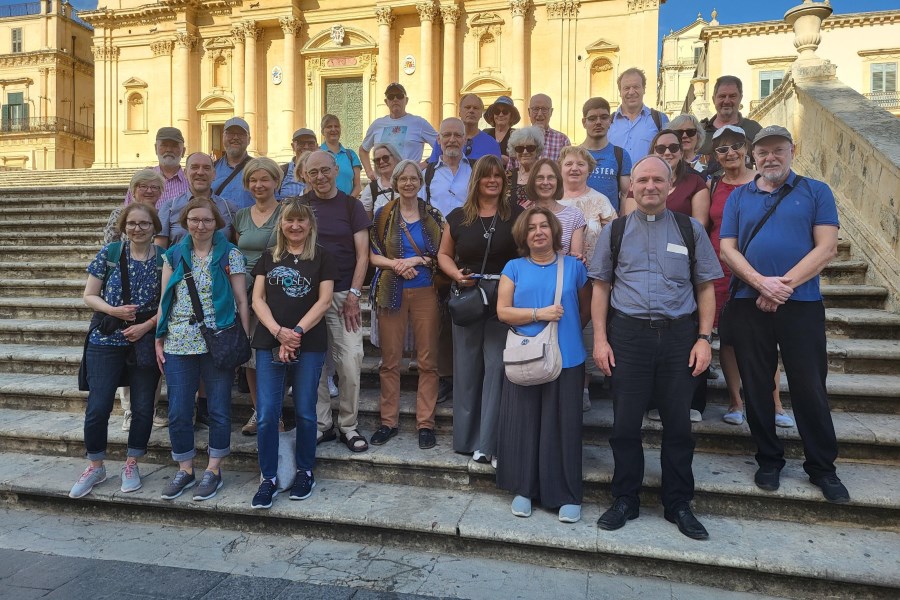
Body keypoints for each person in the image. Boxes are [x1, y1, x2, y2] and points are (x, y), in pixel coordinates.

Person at [591, 155, 722, 540]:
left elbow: (705, 288)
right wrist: (600, 339)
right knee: (625, 424)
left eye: (657, 181)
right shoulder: (615, 232)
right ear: (631, 187)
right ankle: (625, 498)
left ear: (669, 186)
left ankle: (678, 502)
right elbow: (600, 288)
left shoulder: (689, 230)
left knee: (679, 425)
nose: (649, 186)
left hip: (679, 338)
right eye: (642, 180)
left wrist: (704, 338)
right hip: (628, 337)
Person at [719, 125, 849, 504]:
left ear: (792, 150)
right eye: (763, 152)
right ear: (752, 157)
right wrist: (761, 283)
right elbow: (728, 248)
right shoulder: (739, 197)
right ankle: (769, 459)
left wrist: (782, 286)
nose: (770, 158)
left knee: (810, 386)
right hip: (748, 301)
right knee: (757, 385)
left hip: (802, 304)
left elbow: (826, 248)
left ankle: (823, 468)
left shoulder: (815, 191)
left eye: (778, 150)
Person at [496, 206, 590, 523]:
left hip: (568, 357)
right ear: (524, 235)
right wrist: (540, 315)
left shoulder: (574, 267)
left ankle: (566, 494)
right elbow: (503, 312)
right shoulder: (514, 267)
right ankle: (524, 490)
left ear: (554, 231)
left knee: (563, 426)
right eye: (532, 227)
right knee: (524, 424)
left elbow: (586, 307)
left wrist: (567, 329)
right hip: (526, 355)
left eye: (544, 226)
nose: (539, 232)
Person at [154, 198, 250, 502]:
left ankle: (213, 469)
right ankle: (185, 468)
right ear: (185, 221)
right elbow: (164, 299)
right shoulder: (173, 255)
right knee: (180, 408)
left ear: (216, 223)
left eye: (207, 220)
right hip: (179, 339)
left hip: (218, 339)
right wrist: (158, 337)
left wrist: (242, 339)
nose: (200, 225)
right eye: (194, 219)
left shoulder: (230, 254)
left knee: (219, 408)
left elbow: (241, 299)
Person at [69, 203, 164, 498]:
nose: (138, 228)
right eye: (132, 223)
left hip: (143, 337)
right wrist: (115, 311)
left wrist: (146, 326)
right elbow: (89, 295)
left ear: (154, 227)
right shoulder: (110, 254)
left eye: (144, 223)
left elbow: (169, 302)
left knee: (143, 406)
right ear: (124, 226)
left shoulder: (165, 259)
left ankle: (132, 461)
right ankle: (95, 464)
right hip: (107, 337)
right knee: (98, 406)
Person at [249, 200, 336, 508]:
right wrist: (279, 333)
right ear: (281, 225)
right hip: (270, 341)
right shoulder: (268, 257)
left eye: (301, 221)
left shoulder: (322, 257)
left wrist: (296, 333)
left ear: (310, 224)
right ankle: (268, 477)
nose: (295, 226)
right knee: (268, 413)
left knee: (305, 411)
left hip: (309, 343)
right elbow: (257, 300)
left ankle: (305, 471)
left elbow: (324, 301)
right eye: (289, 221)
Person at [438, 155, 524, 467]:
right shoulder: (458, 216)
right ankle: (466, 440)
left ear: (504, 180)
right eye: (486, 176)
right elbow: (444, 254)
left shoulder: (516, 214)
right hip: (468, 298)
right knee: (466, 370)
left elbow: (525, 256)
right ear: (477, 180)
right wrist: (455, 275)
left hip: (502, 299)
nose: (492, 181)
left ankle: (490, 442)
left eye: (497, 176)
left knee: (496, 369)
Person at [707, 126, 793, 429]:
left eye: (735, 145)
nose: (729, 152)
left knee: (766, 339)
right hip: (722, 270)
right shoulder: (712, 186)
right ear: (714, 155)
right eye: (722, 148)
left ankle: (776, 403)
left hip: (759, 270)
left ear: (747, 149)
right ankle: (735, 401)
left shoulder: (762, 183)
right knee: (729, 338)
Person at [369, 160, 444, 450]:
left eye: (414, 178)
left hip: (426, 290)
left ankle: (426, 423)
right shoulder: (383, 215)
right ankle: (388, 421)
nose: (409, 183)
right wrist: (397, 265)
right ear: (396, 182)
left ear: (420, 182)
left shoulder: (434, 216)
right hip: (392, 290)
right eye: (404, 179)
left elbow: (444, 255)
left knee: (428, 360)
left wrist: (417, 260)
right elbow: (372, 256)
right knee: (390, 360)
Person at [303, 151, 371, 453]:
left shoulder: (351, 205)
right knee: (313, 365)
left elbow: (363, 255)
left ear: (336, 170)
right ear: (305, 176)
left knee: (350, 360)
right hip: (307, 297)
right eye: (313, 172)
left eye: (324, 171)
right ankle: (321, 424)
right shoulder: (299, 206)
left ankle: (348, 424)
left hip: (344, 294)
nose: (320, 177)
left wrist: (355, 295)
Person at [559, 145, 618, 412]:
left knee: (583, 332)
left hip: (591, 280)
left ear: (589, 170)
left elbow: (615, 239)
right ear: (560, 168)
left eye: (580, 164)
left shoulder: (600, 201)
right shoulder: (549, 199)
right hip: (556, 279)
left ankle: (582, 387)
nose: (574, 168)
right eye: (569, 163)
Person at [233, 157, 284, 436]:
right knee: (251, 355)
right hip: (245, 293)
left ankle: (274, 411)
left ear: (276, 181)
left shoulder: (286, 212)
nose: (258, 184)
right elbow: (233, 251)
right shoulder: (240, 216)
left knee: (273, 353)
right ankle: (260, 411)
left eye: (264, 179)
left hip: (276, 292)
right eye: (253, 180)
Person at [623, 129, 710, 230]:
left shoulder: (695, 182)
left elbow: (700, 225)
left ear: (681, 153)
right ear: (653, 153)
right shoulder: (639, 183)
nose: (668, 152)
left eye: (674, 148)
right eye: (661, 148)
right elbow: (632, 222)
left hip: (683, 243)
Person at [156, 152, 237, 249]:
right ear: (185, 173)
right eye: (194, 167)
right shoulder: (170, 207)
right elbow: (159, 251)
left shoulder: (228, 208)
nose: (200, 172)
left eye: (206, 168)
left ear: (214, 174)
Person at [359, 83, 438, 179]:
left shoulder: (419, 123)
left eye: (399, 96)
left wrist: (425, 163)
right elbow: (363, 150)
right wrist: (369, 171)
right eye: (391, 97)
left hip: (409, 184)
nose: (395, 99)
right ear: (386, 102)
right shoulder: (377, 125)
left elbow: (441, 145)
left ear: (406, 100)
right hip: (383, 186)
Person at [580, 97, 631, 212]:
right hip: (578, 226)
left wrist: (622, 225)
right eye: (592, 118)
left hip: (610, 225)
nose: (598, 122)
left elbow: (625, 195)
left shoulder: (621, 155)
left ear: (610, 121)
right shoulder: (574, 155)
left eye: (603, 117)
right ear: (584, 122)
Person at [525, 158, 585, 257]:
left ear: (558, 181)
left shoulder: (574, 215)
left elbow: (575, 258)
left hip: (562, 271)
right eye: (540, 178)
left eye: (550, 177)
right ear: (532, 182)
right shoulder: (523, 214)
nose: (545, 182)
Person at [608, 68, 669, 162]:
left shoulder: (660, 120)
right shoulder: (608, 122)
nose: (631, 92)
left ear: (644, 89)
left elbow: (669, 153)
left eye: (636, 87)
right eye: (626, 88)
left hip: (649, 176)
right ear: (620, 92)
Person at [698, 76, 763, 163]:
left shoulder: (754, 130)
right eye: (722, 96)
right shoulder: (700, 132)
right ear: (714, 99)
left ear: (740, 98)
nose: (727, 101)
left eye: (732, 96)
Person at [124, 127, 189, 209]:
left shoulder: (191, 182)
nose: (169, 150)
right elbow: (127, 211)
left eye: (174, 146)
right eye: (164, 145)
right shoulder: (140, 179)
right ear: (156, 149)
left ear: (183, 151)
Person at [428, 94, 501, 163]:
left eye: (475, 108)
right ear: (459, 112)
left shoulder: (491, 144)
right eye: (467, 107)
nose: (471, 111)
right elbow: (433, 169)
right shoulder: (444, 141)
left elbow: (497, 173)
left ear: (481, 113)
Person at [426, 118, 473, 218]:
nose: (452, 140)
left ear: (464, 140)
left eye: (457, 135)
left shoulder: (476, 170)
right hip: (436, 232)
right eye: (447, 135)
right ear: (438, 139)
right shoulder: (427, 174)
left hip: (468, 231)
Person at [212, 117, 254, 209]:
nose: (235, 137)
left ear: (249, 140)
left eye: (241, 134)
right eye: (230, 133)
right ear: (223, 137)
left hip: (247, 223)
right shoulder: (211, 169)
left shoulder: (258, 168)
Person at [321, 114, 363, 198]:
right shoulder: (317, 154)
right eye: (329, 127)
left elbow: (357, 186)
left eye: (336, 126)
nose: (333, 129)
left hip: (347, 207)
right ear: (322, 131)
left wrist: (348, 203)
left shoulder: (351, 155)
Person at [359, 143, 400, 219]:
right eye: (377, 160)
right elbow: (365, 222)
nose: (381, 162)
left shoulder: (407, 183)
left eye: (385, 158)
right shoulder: (371, 189)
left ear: (395, 158)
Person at [507, 126, 545, 208]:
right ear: (514, 151)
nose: (525, 152)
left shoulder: (546, 176)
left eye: (530, 148)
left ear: (537, 150)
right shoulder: (507, 176)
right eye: (519, 148)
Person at [526, 94, 570, 161]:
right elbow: (511, 169)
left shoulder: (562, 140)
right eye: (536, 109)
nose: (540, 114)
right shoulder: (518, 139)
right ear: (529, 112)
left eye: (544, 109)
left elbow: (567, 168)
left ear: (551, 112)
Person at [277, 128, 318, 199]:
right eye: (301, 143)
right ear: (293, 146)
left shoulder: (324, 171)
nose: (306, 147)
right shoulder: (281, 171)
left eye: (310, 143)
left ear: (316, 146)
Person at [483, 95, 520, 166]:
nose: (500, 114)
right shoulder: (485, 134)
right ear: (493, 115)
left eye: (505, 112)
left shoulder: (517, 135)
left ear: (511, 116)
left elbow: (523, 161)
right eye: (497, 111)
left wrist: (508, 161)